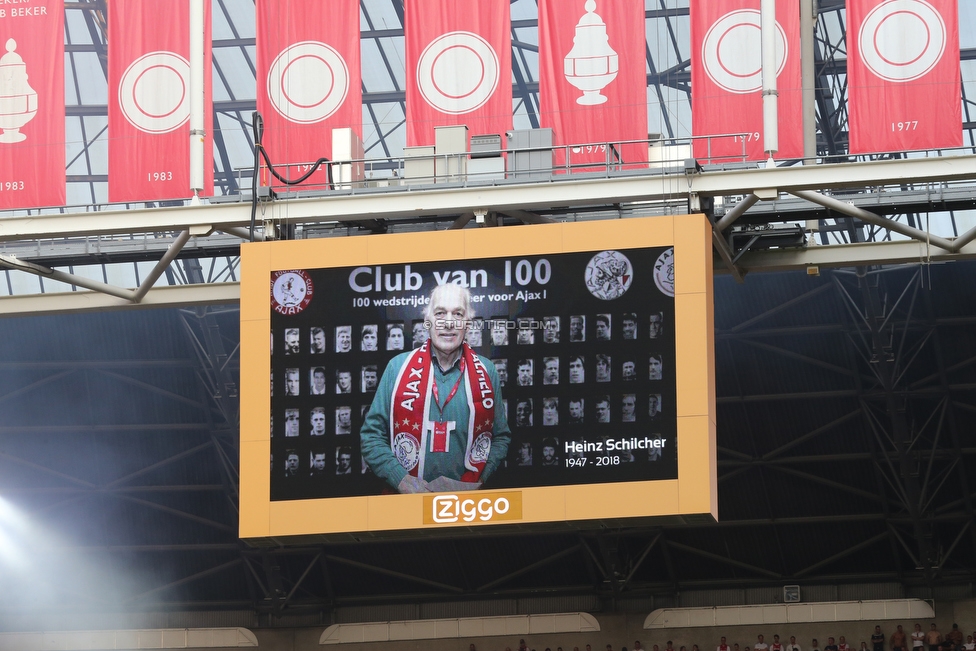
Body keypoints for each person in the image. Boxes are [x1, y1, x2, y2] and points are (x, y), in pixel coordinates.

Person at [360, 284, 511, 493]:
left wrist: (477, 481)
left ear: (467, 323)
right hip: (406, 505)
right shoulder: (397, 367)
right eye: (440, 313)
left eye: (457, 314)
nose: (448, 323)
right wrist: (401, 480)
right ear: (427, 321)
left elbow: (500, 438)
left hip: (467, 506)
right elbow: (371, 436)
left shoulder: (487, 371)